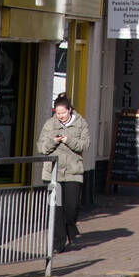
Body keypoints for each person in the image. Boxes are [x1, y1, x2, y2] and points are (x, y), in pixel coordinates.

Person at [37, 93, 90, 253]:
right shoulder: (50, 124)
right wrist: (54, 140)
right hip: (53, 174)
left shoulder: (81, 124)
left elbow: (85, 146)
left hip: (73, 172)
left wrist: (69, 140)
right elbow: (41, 147)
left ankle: (70, 229)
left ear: (69, 110)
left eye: (63, 113)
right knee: (56, 208)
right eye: (57, 113)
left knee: (71, 207)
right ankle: (57, 244)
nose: (60, 116)